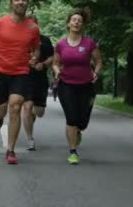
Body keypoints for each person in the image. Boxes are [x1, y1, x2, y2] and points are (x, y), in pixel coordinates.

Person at [0, 0, 40, 164]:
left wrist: (34, 58)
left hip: (20, 72)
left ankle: (11, 150)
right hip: (0, 71)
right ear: (11, 2)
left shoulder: (33, 27)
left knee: (15, 107)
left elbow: (36, 48)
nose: (21, 2)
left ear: (27, 3)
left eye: (24, 0)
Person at [52, 8, 102, 165]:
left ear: (82, 25)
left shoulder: (89, 43)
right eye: (74, 20)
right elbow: (55, 63)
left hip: (86, 85)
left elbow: (99, 61)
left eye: (79, 20)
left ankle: (79, 130)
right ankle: (73, 151)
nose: (76, 22)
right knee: (71, 118)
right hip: (66, 85)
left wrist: (96, 72)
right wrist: (56, 72)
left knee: (83, 121)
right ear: (68, 23)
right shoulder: (61, 44)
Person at [22, 15, 54, 151]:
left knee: (39, 112)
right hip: (24, 77)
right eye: (28, 24)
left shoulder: (45, 40)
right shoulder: (20, 39)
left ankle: (31, 118)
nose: (30, 26)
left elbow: (53, 57)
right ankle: (30, 138)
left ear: (37, 25)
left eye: (33, 24)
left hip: (40, 78)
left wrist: (43, 64)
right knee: (27, 107)